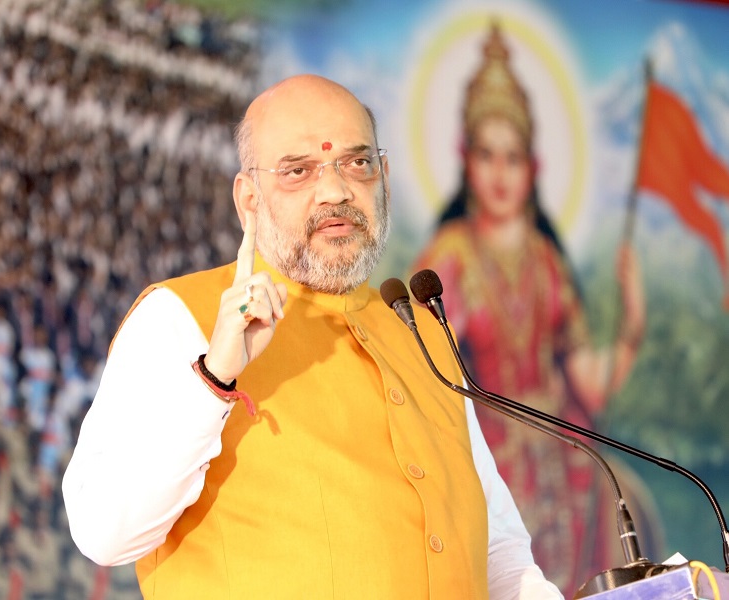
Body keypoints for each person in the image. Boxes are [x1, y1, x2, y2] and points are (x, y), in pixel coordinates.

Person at [62, 73, 563, 599]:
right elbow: (104, 532)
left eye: (357, 163)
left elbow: (497, 550)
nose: (336, 190)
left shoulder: (422, 330)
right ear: (249, 200)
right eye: (298, 171)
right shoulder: (180, 317)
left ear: (384, 177)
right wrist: (214, 377)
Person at [412, 23, 657, 598]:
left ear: (534, 167)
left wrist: (632, 326)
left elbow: (589, 387)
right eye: (487, 155)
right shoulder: (450, 256)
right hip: (488, 448)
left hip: (565, 450)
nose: (500, 173)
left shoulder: (547, 260)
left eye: (513, 158)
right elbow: (422, 362)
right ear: (465, 159)